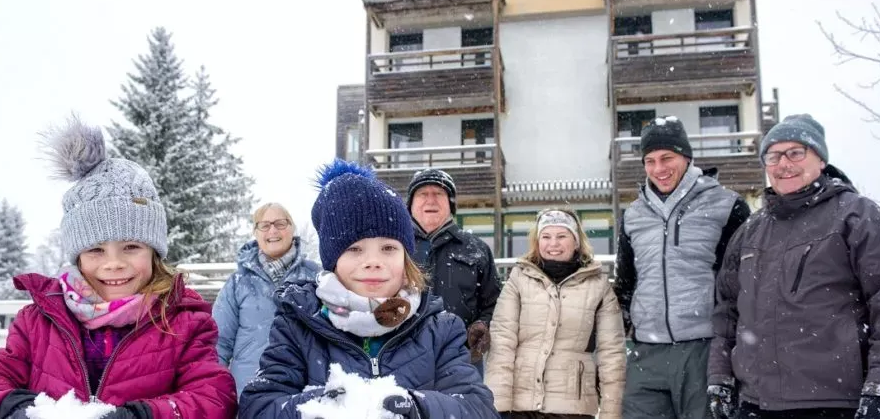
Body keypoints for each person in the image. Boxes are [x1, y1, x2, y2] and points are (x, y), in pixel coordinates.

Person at [0, 117, 237, 419]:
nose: (114, 263)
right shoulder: (38, 322)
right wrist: (16, 410)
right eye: (96, 250)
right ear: (78, 257)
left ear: (154, 252)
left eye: (131, 247)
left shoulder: (184, 323)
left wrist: (142, 416)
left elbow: (214, 396)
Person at [238, 159, 500, 419]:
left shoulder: (440, 330)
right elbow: (259, 406)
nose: (373, 262)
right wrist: (314, 408)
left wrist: (420, 408)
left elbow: (477, 407)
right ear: (333, 260)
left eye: (388, 248)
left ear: (406, 259)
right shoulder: (298, 326)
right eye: (354, 249)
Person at [708, 114, 880, 419]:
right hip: (755, 403)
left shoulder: (857, 217)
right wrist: (720, 377)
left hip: (832, 404)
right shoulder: (750, 230)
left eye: (796, 152)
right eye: (773, 155)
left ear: (820, 159)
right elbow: (726, 314)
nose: (783, 164)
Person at [613, 116, 751, 418]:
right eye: (649, 161)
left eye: (666, 158)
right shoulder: (633, 216)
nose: (658, 169)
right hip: (646, 351)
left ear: (686, 157)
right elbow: (625, 283)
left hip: (703, 349)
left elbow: (741, 286)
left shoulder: (727, 206)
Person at [487, 207, 626, 419]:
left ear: (576, 241)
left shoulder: (598, 286)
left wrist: (611, 413)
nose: (553, 244)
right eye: (546, 236)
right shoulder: (519, 278)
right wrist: (498, 406)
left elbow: (612, 354)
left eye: (562, 236)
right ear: (537, 241)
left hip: (573, 407)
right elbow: (502, 343)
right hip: (522, 406)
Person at [213, 202, 321, 396]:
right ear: (256, 233)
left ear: (292, 229)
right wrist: (213, 390)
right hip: (248, 390)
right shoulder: (238, 282)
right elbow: (218, 342)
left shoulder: (314, 276)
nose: (272, 230)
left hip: (303, 390)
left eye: (280, 223)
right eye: (264, 225)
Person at [406, 169, 502, 369]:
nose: (431, 200)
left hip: (462, 359)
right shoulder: (395, 247)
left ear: (450, 204)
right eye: (423, 194)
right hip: (402, 359)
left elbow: (495, 303)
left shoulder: (477, 248)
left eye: (439, 194)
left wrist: (482, 325)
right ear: (410, 205)